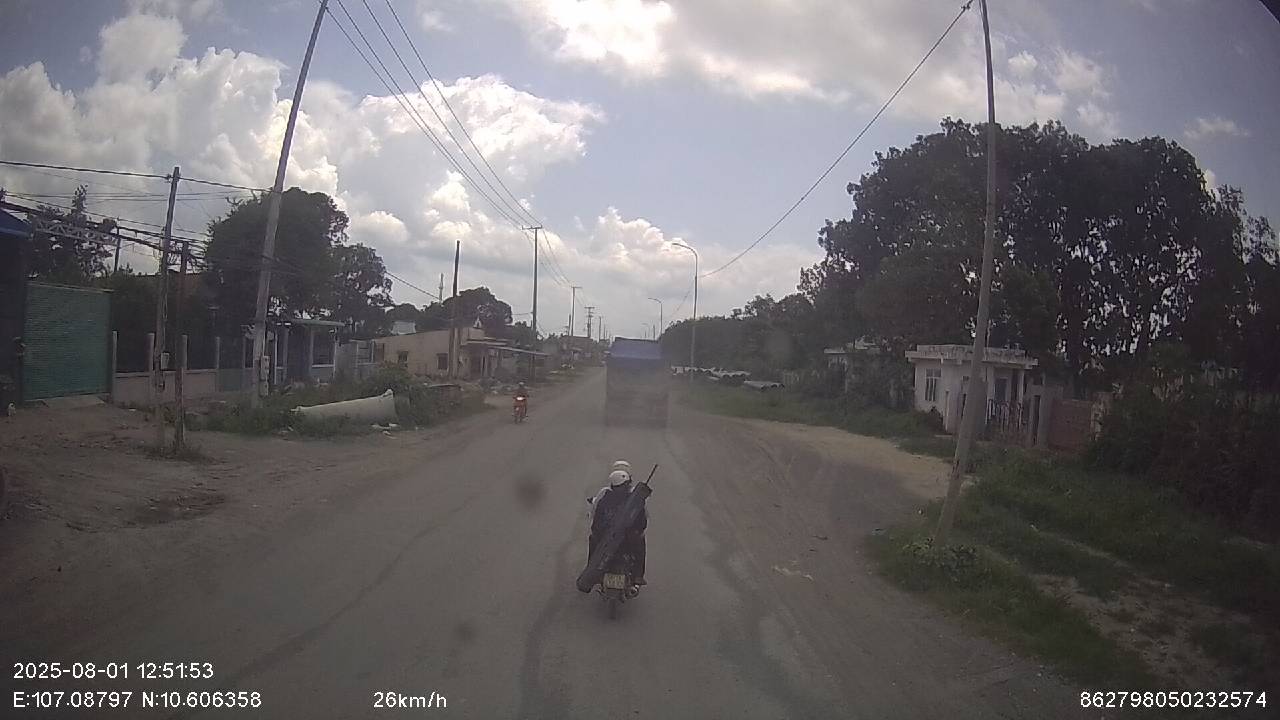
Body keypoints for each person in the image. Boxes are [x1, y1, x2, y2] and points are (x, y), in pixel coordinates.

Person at [587, 460, 647, 585]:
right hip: (627, 539)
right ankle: (638, 576)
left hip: (606, 539)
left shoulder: (605, 495)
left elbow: (595, 519)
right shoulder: (635, 498)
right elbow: (643, 521)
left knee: (593, 540)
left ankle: (590, 571)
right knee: (640, 543)